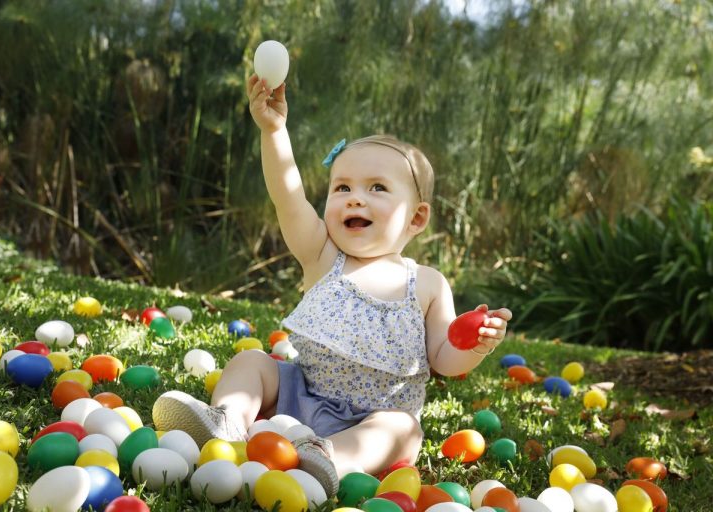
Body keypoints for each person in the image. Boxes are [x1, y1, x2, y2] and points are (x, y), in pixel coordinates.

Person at [152, 75, 512, 498]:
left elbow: (444, 359)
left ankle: (324, 459)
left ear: (416, 218)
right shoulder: (324, 256)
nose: (355, 198)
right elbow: (288, 196)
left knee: (404, 429)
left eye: (377, 187)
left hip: (371, 422)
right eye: (342, 187)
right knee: (254, 364)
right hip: (300, 394)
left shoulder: (428, 284)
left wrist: (475, 344)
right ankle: (226, 422)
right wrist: (274, 130)